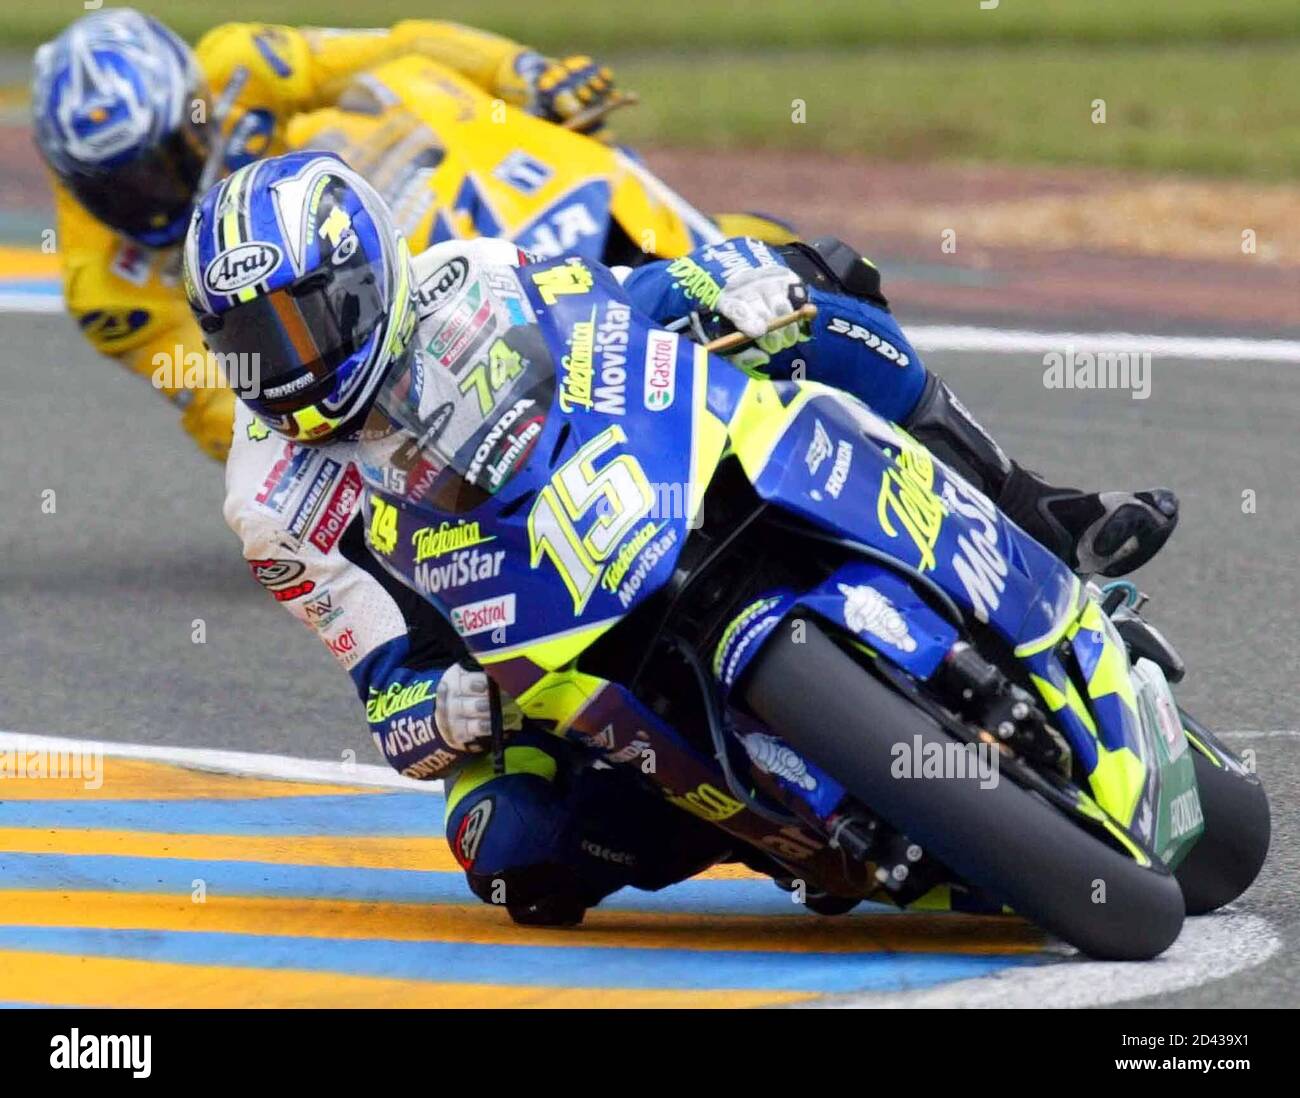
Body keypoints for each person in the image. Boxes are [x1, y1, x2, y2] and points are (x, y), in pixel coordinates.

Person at [185, 151, 1178, 924]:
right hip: (500, 636)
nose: (275, 367)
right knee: (515, 859)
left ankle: (1029, 506)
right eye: (242, 342)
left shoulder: (470, 277)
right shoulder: (270, 498)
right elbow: (387, 687)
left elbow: (631, 305)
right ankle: (790, 836)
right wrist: (444, 709)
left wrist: (734, 279)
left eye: (292, 327)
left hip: (629, 488)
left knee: (824, 293)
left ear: (363, 283)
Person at [31, 7, 619, 462]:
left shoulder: (241, 63)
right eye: (112, 187)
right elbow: (223, 407)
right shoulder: (102, 288)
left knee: (406, 99)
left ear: (193, 109)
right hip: (308, 332)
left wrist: (520, 73)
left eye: (156, 165)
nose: (145, 198)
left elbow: (398, 49)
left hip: (345, 213)